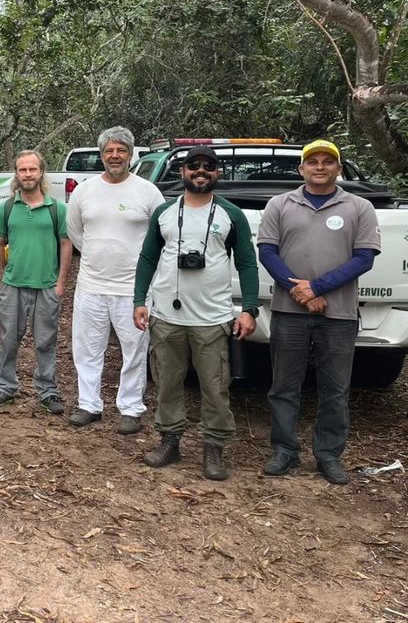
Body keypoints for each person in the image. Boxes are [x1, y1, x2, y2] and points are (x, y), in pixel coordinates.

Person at [257, 139, 380, 485]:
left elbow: (364, 258)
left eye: (328, 161)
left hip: (338, 315)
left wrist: (317, 287)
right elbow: (267, 252)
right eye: (313, 162)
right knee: (284, 385)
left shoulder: (359, 207)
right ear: (302, 169)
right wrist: (301, 291)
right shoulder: (280, 204)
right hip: (288, 311)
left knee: (335, 389)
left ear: (338, 169)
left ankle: (328, 455)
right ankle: (284, 450)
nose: (320, 167)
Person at [133, 145, 259, 481]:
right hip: (167, 317)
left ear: (217, 173)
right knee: (167, 382)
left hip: (212, 318)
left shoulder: (231, 214)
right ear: (183, 172)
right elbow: (148, 258)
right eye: (193, 166)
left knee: (215, 387)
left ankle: (213, 448)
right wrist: (139, 300)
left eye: (208, 166)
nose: (200, 171)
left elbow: (247, 263)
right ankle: (169, 441)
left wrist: (249, 309)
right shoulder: (164, 212)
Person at [66, 127, 164, 433]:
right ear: (101, 155)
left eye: (121, 150)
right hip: (91, 285)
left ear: (131, 154)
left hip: (133, 289)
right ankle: (88, 405)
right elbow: (75, 232)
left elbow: (160, 235)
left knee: (134, 349)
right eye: (109, 150)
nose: (115, 156)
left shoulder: (147, 191)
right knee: (87, 349)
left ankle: (131, 408)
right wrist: (98, 255)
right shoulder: (84, 191)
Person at [0, 150, 72, 414]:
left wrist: (61, 282)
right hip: (13, 285)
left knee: (46, 341)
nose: (28, 174)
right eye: (22, 170)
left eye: (32, 169)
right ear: (16, 174)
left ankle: (48, 391)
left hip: (46, 285)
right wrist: (2, 275)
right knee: (9, 340)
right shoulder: (7, 208)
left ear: (41, 172)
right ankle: (5, 387)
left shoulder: (57, 209)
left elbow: (65, 244)